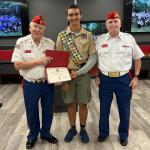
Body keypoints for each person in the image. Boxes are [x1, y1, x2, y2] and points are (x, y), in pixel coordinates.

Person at [96, 11, 144, 146]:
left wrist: (136, 77)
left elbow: (138, 58)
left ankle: (123, 135)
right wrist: (96, 76)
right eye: (110, 22)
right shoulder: (100, 40)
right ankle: (103, 133)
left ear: (120, 23)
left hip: (123, 79)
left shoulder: (129, 39)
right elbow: (96, 59)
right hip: (105, 79)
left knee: (124, 109)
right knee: (104, 108)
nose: (113, 24)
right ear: (106, 25)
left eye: (115, 21)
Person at [11, 15, 58, 149]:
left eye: (41, 27)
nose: (38, 29)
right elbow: (17, 65)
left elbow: (54, 64)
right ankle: (32, 136)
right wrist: (39, 61)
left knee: (48, 110)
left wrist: (58, 76)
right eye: (35, 26)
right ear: (30, 27)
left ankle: (46, 133)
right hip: (30, 84)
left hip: (47, 83)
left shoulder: (50, 43)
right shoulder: (22, 42)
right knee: (31, 111)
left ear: (44, 29)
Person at [56, 5, 96, 143]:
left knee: (83, 103)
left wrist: (79, 72)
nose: (74, 17)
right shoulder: (61, 36)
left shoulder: (88, 35)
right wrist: (64, 80)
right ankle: (72, 128)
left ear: (81, 15)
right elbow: (58, 60)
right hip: (67, 74)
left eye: (76, 14)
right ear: (67, 17)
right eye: (71, 15)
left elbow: (93, 58)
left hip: (83, 75)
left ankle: (83, 129)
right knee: (70, 103)